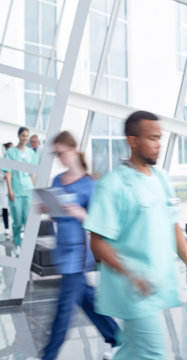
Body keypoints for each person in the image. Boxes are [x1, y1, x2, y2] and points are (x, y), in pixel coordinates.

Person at [83, 110, 187, 359]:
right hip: (133, 291)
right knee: (154, 354)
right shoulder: (113, 184)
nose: (158, 145)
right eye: (152, 138)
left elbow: (173, 225)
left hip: (156, 284)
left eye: (159, 138)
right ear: (133, 141)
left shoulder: (163, 179)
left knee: (130, 351)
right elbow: (97, 243)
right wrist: (132, 274)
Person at [38, 131, 120, 360]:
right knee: (88, 300)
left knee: (64, 308)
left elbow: (97, 222)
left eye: (62, 153)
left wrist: (79, 212)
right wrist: (48, 209)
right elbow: (56, 218)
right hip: (63, 249)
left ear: (73, 150)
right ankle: (118, 339)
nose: (60, 158)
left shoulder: (90, 185)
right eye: (57, 154)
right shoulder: (57, 181)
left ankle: (48, 356)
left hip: (79, 251)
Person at [4, 128, 37, 253]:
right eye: (23, 135)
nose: (25, 138)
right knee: (17, 220)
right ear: (18, 136)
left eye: (27, 136)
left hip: (28, 190)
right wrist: (10, 190)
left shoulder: (31, 153)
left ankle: (27, 247)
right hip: (16, 191)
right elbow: (8, 173)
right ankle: (16, 243)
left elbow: (32, 173)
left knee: (28, 220)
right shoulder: (11, 152)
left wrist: (35, 189)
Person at [1, 143, 13, 236]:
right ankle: (6, 228)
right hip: (4, 188)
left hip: (15, 189)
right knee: (5, 209)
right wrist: (3, 177)